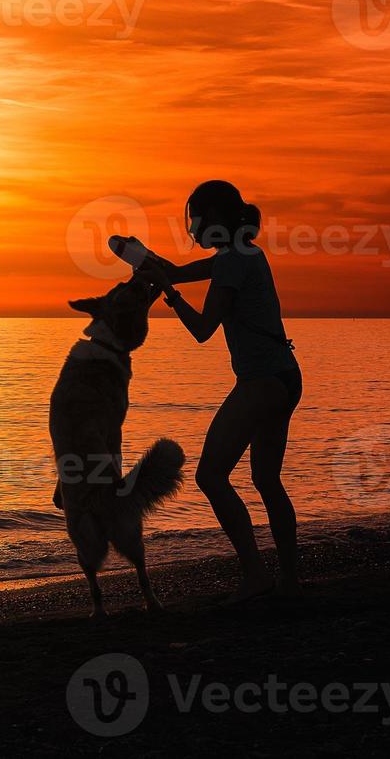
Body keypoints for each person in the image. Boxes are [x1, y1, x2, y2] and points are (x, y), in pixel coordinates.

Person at [111, 180, 302, 602]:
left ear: (213, 218)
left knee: (210, 476)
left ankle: (256, 575)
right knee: (267, 480)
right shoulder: (243, 253)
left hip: (261, 382)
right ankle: (288, 580)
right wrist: (157, 267)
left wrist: (170, 294)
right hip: (285, 377)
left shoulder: (233, 260)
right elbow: (179, 271)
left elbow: (202, 330)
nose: (194, 226)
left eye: (197, 217)